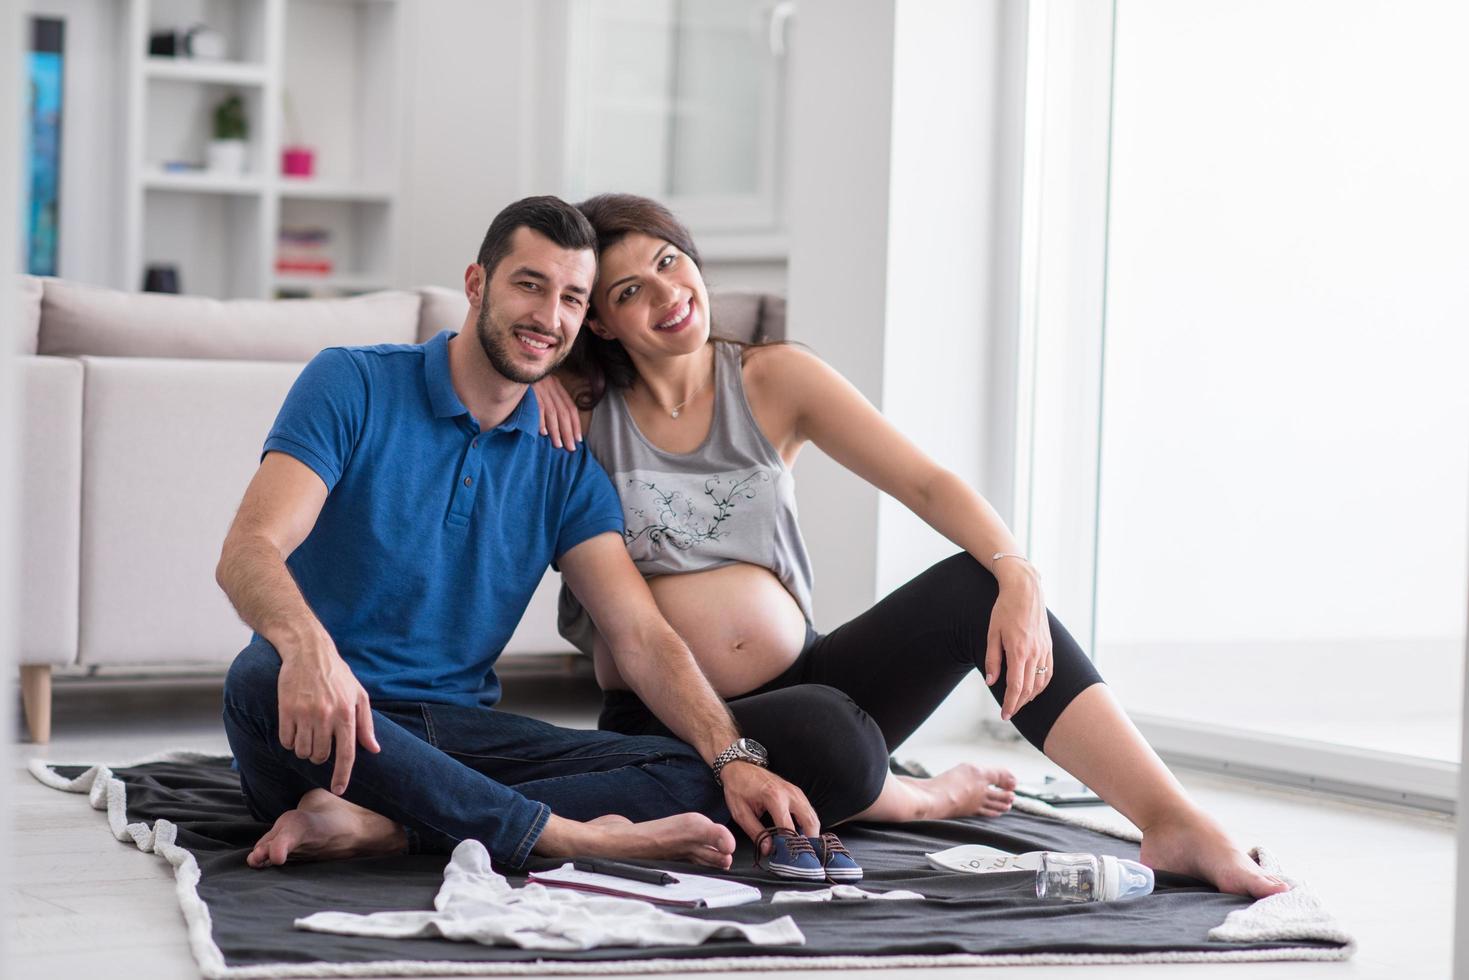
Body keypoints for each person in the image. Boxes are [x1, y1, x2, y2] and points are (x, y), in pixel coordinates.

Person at [533, 192, 1290, 898]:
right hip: (669, 718)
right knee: (827, 735)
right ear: (597, 322)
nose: (666, 295)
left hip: (809, 675)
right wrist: (536, 378)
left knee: (972, 590)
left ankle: (1170, 821)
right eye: (628, 290)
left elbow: (925, 483)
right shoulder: (578, 411)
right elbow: (478, 353)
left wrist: (1017, 573)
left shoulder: (773, 378)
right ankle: (907, 795)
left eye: (669, 263)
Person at [216, 195, 821, 873]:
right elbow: (249, 548)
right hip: (321, 722)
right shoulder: (350, 382)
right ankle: (565, 836)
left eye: (571, 297)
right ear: (476, 285)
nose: (548, 316)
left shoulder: (564, 463)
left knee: (685, 773)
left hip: (454, 734)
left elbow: (639, 635)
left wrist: (733, 758)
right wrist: (308, 650)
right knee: (258, 672)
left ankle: (393, 828)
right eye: (529, 285)